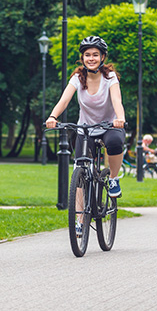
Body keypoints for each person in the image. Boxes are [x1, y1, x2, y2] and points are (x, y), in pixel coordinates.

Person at [45, 35, 127, 203]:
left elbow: (117, 100)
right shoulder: (77, 78)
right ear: (82, 58)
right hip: (85, 128)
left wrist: (120, 118)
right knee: (80, 173)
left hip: (109, 126)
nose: (91, 58)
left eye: (95, 54)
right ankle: (80, 221)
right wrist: (53, 116)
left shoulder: (110, 77)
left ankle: (113, 178)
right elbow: (64, 100)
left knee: (115, 142)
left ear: (102, 57)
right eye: (87, 55)